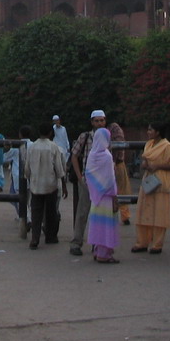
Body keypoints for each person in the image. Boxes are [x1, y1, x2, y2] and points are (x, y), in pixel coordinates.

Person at [132, 124, 170, 254]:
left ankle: (157, 244)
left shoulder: (167, 146)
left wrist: (158, 166)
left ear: (158, 132)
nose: (148, 132)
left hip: (161, 182)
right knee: (144, 211)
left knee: (159, 213)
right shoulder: (148, 144)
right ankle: (142, 242)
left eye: (150, 130)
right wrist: (146, 165)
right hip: (148, 180)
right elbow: (145, 159)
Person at [24, 123, 67, 249]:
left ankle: (35, 239)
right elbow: (59, 169)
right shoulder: (54, 147)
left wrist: (28, 177)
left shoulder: (32, 147)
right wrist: (63, 185)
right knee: (50, 212)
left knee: (36, 213)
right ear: (50, 133)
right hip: (50, 185)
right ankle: (50, 237)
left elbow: (27, 169)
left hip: (35, 185)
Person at [69, 110, 104, 256]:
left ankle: (97, 243)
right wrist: (79, 176)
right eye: (96, 121)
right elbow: (74, 156)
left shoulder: (106, 137)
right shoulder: (85, 136)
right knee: (82, 212)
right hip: (87, 180)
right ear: (92, 122)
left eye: (101, 120)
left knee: (100, 214)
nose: (99, 123)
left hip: (102, 181)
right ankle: (76, 243)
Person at [85, 126, 120, 263]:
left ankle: (98, 250)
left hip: (96, 196)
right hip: (107, 196)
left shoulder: (92, 155)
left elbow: (88, 174)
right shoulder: (106, 156)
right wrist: (115, 197)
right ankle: (104, 254)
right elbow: (110, 180)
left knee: (98, 225)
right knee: (106, 226)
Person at [108, 121, 132, 225]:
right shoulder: (114, 129)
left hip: (116, 163)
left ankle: (123, 215)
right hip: (116, 163)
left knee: (120, 190)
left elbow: (118, 145)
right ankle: (124, 215)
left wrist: (113, 160)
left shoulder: (114, 129)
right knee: (122, 190)